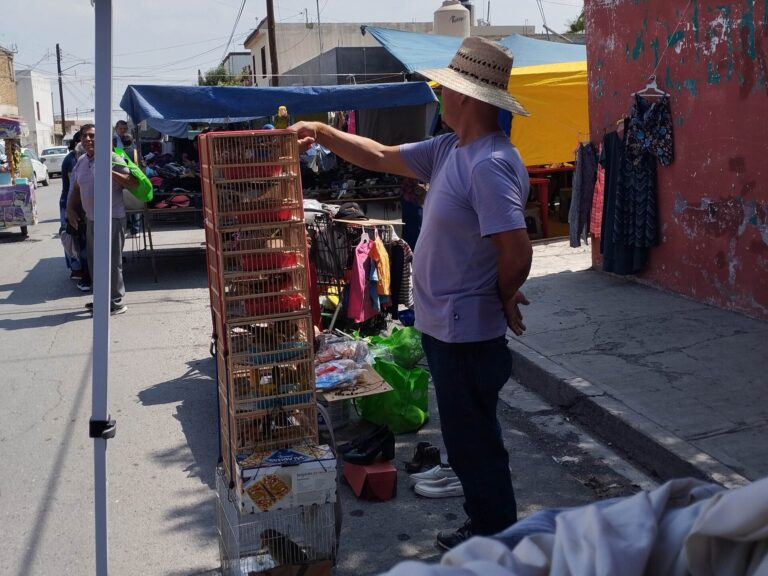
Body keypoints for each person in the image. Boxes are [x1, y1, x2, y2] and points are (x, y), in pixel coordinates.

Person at [290, 36, 533, 550]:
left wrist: (501, 294)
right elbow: (377, 153)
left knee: (476, 446)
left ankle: (496, 541)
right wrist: (319, 129)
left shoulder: (487, 162)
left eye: (445, 88)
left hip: (467, 333)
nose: (440, 96)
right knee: (469, 442)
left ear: (465, 97)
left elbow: (517, 251)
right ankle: (489, 529)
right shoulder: (451, 149)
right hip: (450, 328)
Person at [66, 124, 138, 315]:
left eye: (92, 136)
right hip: (91, 219)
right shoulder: (81, 160)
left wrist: (110, 171)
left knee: (112, 263)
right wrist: (70, 209)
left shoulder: (114, 157)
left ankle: (115, 303)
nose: (87, 139)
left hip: (112, 218)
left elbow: (132, 181)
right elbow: (77, 188)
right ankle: (101, 300)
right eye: (84, 136)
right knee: (95, 263)